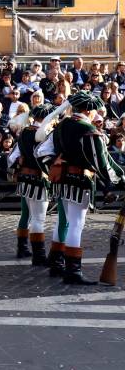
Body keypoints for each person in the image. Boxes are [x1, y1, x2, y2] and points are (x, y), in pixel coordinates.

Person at [38, 92, 124, 285]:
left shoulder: (60, 126)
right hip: (79, 181)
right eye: (94, 111)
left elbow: (41, 152)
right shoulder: (88, 129)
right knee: (76, 224)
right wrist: (119, 179)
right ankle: (73, 271)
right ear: (88, 110)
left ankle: (57, 264)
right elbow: (102, 162)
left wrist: (56, 164)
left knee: (64, 221)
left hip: (62, 182)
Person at [8, 105, 53, 264]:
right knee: (38, 219)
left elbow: (13, 156)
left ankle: (22, 248)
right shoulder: (44, 134)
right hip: (39, 179)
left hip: (24, 179)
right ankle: (39, 256)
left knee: (26, 215)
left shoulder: (25, 132)